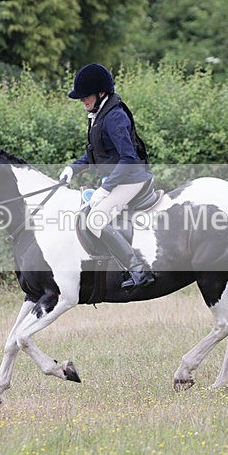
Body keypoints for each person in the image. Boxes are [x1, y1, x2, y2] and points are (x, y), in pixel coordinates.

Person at [59, 63, 155, 290]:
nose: (82, 101)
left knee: (95, 219)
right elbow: (98, 153)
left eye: (85, 97)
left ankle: (138, 271)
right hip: (117, 178)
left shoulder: (115, 116)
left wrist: (106, 188)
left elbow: (128, 157)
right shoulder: (99, 113)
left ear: (100, 93)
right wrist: (73, 168)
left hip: (132, 178)